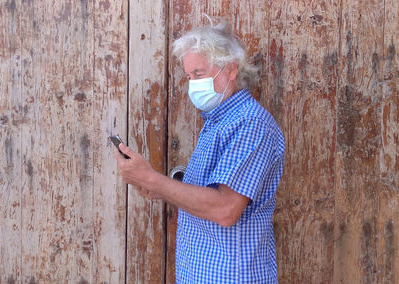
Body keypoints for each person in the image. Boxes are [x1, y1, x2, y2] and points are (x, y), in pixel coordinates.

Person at [114, 17, 285, 283]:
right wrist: (158, 187)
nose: (193, 83)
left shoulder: (250, 123)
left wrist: (152, 178)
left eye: (199, 74)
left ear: (230, 69)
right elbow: (208, 194)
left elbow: (225, 209)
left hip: (231, 277)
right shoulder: (218, 121)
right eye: (189, 76)